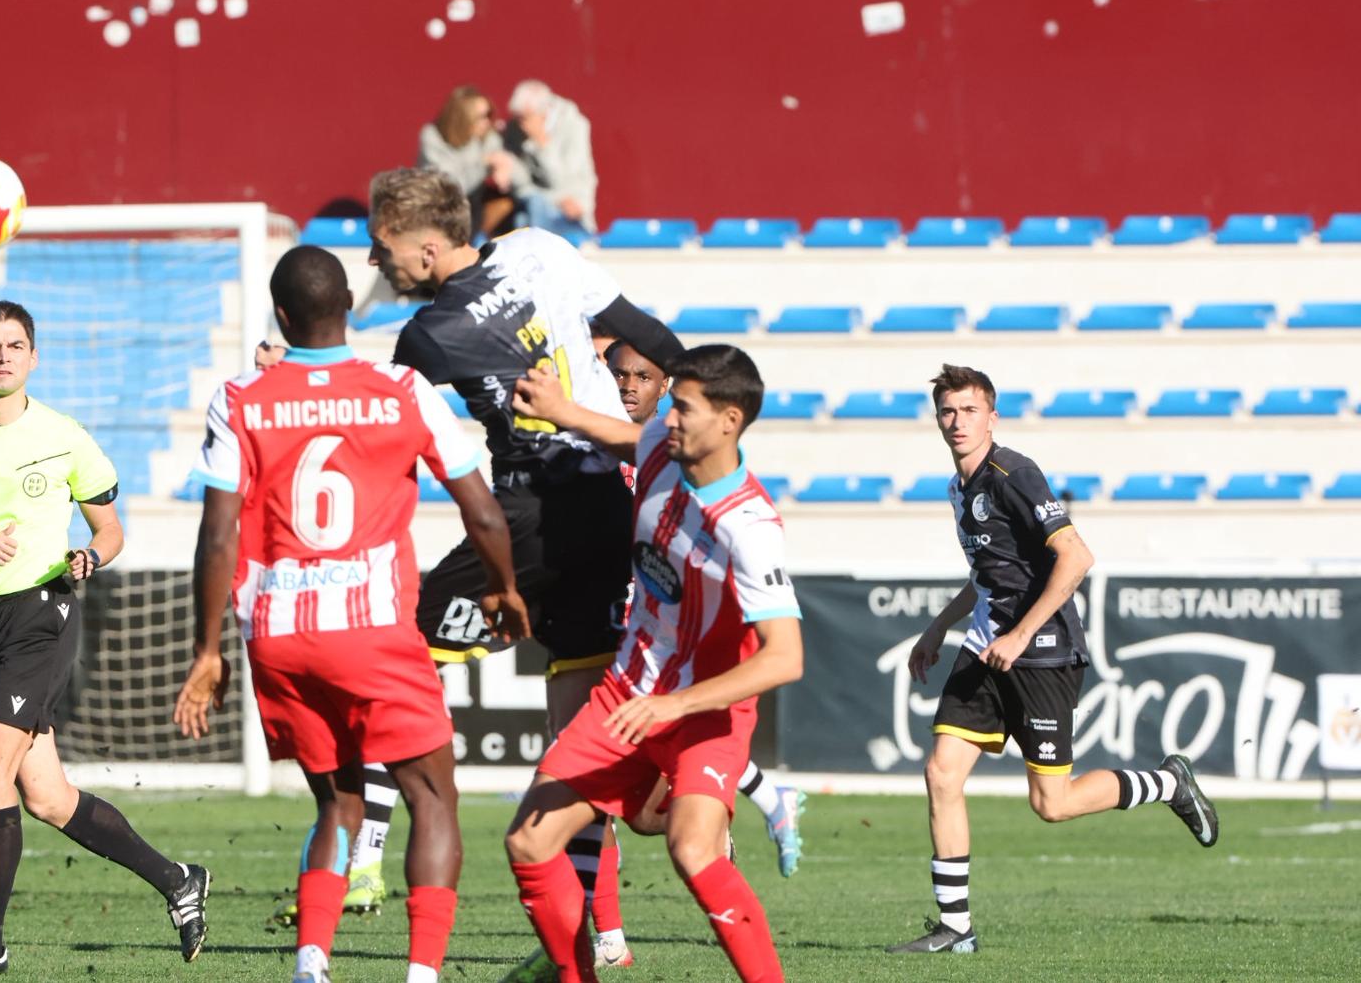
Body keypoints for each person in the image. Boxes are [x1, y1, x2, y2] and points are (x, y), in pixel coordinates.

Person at [173, 245, 529, 983]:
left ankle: (312, 963)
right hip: (369, 625)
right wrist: (504, 587)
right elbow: (485, 513)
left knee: (336, 799)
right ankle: (422, 974)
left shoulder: (241, 395)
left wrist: (208, 651)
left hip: (278, 632)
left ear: (280, 315)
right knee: (431, 794)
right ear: (349, 308)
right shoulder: (402, 388)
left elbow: (216, 534)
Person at [357, 166, 681, 938]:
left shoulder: (428, 333)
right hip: (611, 505)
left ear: (428, 248)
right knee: (582, 734)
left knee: (391, 652)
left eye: (384, 248)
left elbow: (375, 416)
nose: (377, 263)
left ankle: (363, 855)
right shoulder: (539, 246)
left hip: (537, 513)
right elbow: (659, 342)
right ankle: (600, 925)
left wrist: (291, 372)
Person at [0, 300, 209, 976]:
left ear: (34, 356)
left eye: (14, 345)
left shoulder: (64, 434)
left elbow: (111, 528)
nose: (1, 356)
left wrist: (94, 555)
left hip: (44, 612)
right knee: (47, 796)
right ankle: (178, 879)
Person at [885, 363, 1220, 956]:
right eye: (948, 411)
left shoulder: (1015, 474)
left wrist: (1019, 635)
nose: (957, 421)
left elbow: (1076, 557)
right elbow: (988, 574)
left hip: (1041, 652)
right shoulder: (959, 487)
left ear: (992, 416)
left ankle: (1168, 783)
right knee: (941, 773)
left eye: (969, 410)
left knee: (1052, 804)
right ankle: (956, 929)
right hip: (985, 649)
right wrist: (938, 626)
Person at [504, 344, 803, 983]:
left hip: (704, 712)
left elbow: (785, 658)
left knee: (692, 849)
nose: (667, 418)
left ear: (728, 420)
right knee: (528, 842)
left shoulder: (749, 526)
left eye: (683, 409)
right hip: (627, 694)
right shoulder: (662, 454)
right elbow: (623, 435)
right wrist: (560, 409)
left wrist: (676, 704)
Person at [418, 85, 517, 239]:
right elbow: (452, 186)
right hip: (440, 207)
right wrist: (483, 163)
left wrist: (505, 168)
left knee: (508, 203)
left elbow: (506, 164)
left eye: (488, 115)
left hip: (474, 205)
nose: (486, 122)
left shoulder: (488, 137)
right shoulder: (433, 137)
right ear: (463, 117)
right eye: (480, 117)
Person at [504, 79, 597, 238]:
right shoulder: (515, 130)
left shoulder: (574, 125)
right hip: (535, 211)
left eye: (525, 118)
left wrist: (542, 144)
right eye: (518, 119)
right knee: (532, 206)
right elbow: (521, 187)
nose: (521, 125)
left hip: (573, 217)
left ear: (544, 113)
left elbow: (564, 180)